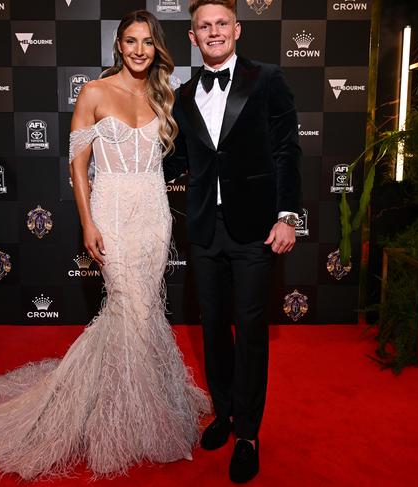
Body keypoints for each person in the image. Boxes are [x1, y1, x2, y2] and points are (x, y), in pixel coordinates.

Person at [0, 10, 208, 481]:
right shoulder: (95, 92)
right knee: (131, 304)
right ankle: (144, 422)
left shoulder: (164, 95)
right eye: (130, 41)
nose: (139, 49)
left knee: (142, 310)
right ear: (118, 46)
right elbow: (78, 167)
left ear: (156, 46)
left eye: (147, 41)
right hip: (113, 211)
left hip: (155, 212)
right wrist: (87, 223)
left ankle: (142, 401)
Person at [163, 0, 302, 483]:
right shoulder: (183, 94)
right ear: (193, 37)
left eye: (222, 23)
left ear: (237, 30)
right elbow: (178, 160)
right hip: (203, 228)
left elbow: (287, 148)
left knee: (249, 329)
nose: (214, 32)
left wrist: (288, 216)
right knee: (214, 327)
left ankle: (248, 432)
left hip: (255, 227)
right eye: (205, 26)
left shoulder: (267, 79)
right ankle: (222, 413)